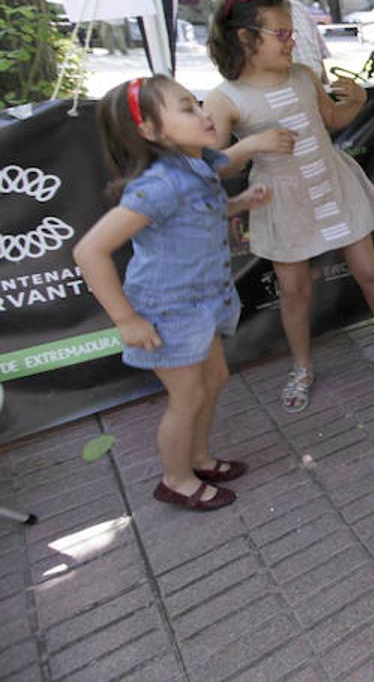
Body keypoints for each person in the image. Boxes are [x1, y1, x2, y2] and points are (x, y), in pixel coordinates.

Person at [73, 75, 286, 510]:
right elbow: (89, 250)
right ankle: (176, 479)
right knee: (186, 397)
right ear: (150, 131)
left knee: (215, 380)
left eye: (198, 103)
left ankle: (200, 458)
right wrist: (127, 319)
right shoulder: (159, 185)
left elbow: (197, 213)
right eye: (187, 109)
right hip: (169, 310)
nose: (204, 114)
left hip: (204, 301)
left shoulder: (197, 166)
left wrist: (239, 203)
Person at [203, 0, 374, 413]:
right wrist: (250, 146)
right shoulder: (224, 97)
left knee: (369, 271)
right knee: (294, 290)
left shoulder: (303, 74)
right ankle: (301, 365)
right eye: (281, 34)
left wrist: (355, 103)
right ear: (247, 38)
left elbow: (331, 119)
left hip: (332, 182)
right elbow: (213, 164)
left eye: (290, 32)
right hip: (284, 200)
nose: (292, 40)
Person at [247, 0, 331, 85]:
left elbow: (318, 57)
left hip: (316, 96)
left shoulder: (300, 10)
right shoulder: (246, 16)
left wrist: (327, 91)